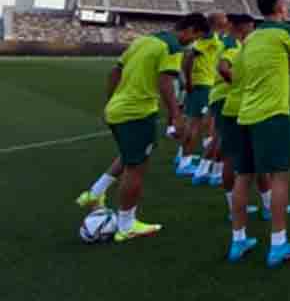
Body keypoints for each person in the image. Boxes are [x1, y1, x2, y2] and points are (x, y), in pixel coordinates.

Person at [75, 13, 210, 242]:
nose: (194, 42)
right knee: (136, 168)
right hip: (137, 112)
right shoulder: (173, 46)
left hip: (118, 109)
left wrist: (110, 102)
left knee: (129, 156)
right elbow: (165, 82)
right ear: (190, 29)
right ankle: (127, 225)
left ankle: (94, 193)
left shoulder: (142, 41)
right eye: (196, 36)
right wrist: (175, 117)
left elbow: (115, 72)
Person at [229, 0, 290, 268]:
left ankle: (238, 240)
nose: (288, 7)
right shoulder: (287, 31)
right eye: (285, 3)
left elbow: (235, 74)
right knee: (280, 178)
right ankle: (278, 244)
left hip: (245, 113)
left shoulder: (250, 38)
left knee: (243, 177)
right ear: (278, 7)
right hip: (273, 114)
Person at [216, 13, 273, 225]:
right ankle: (263, 207)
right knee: (251, 160)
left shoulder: (232, 42)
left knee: (236, 158)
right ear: (245, 26)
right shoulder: (235, 44)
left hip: (233, 105)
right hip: (240, 106)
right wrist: (239, 84)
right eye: (251, 26)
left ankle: (241, 208)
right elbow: (223, 68)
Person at [176, 13, 228, 177]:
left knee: (197, 122)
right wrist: (188, 80)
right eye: (224, 19)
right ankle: (185, 162)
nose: (226, 21)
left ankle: (183, 157)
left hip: (202, 83)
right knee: (195, 124)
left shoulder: (210, 38)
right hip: (202, 84)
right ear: (217, 22)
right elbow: (189, 57)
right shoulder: (208, 39)